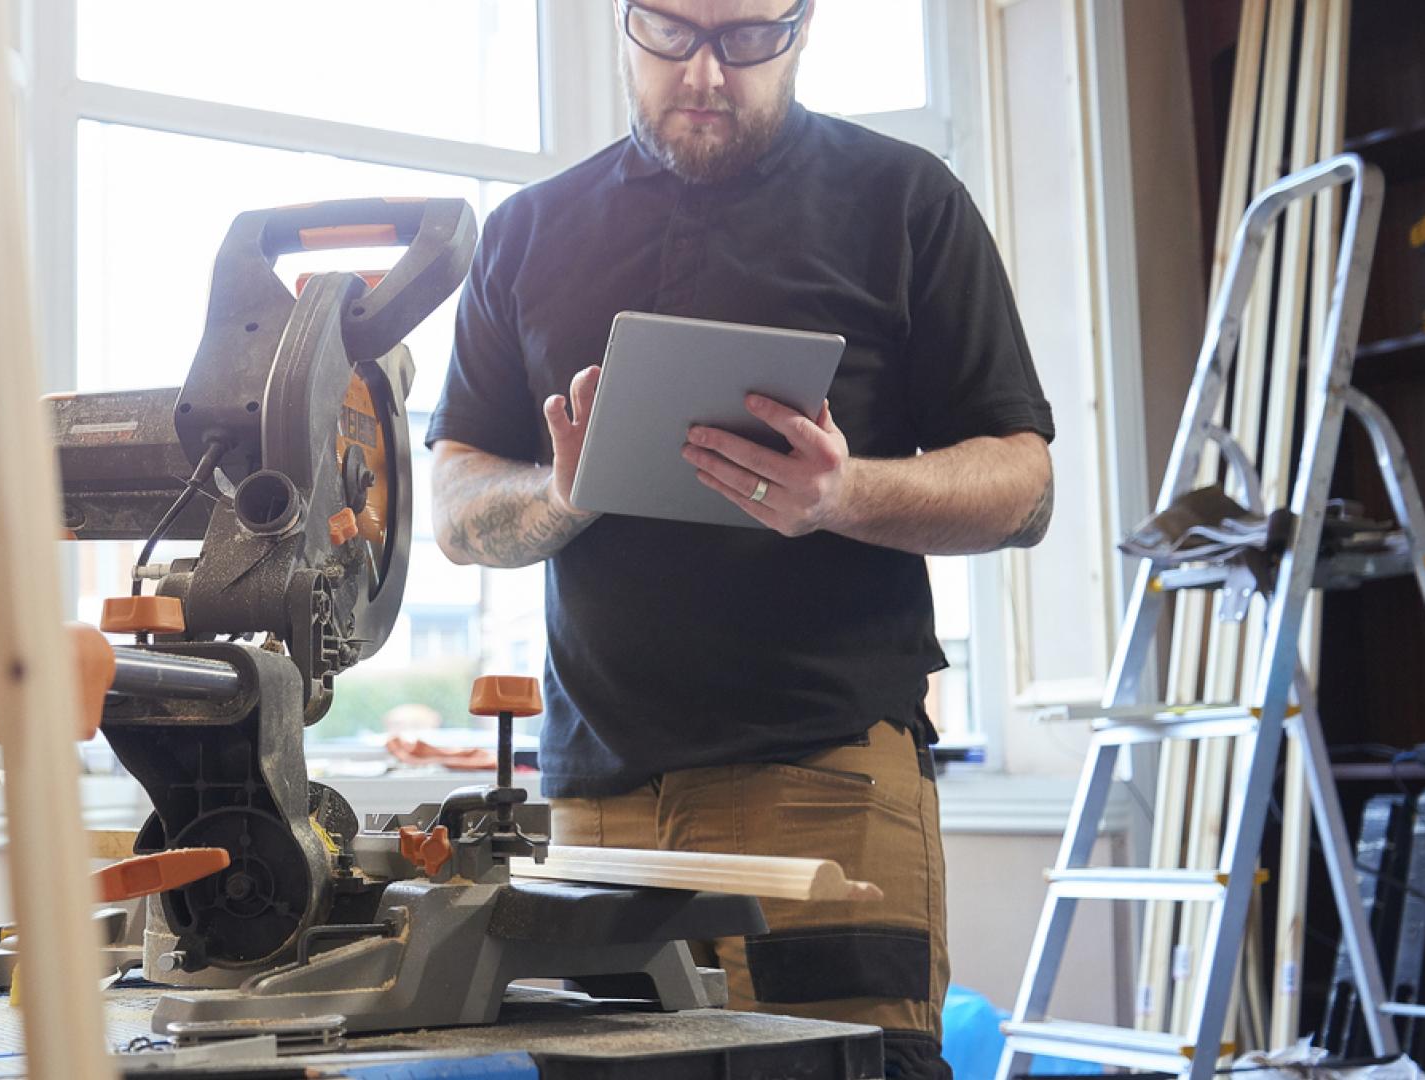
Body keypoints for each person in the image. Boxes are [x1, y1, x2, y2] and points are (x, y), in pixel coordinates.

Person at [425, 1, 1055, 1077]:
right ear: (624, 25)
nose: (707, 74)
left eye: (747, 37)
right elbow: (451, 510)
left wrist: (842, 494)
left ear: (802, 28)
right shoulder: (527, 230)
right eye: (671, 33)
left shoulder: (906, 200)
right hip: (596, 803)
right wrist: (564, 494)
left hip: (828, 778)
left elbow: (1023, 485)